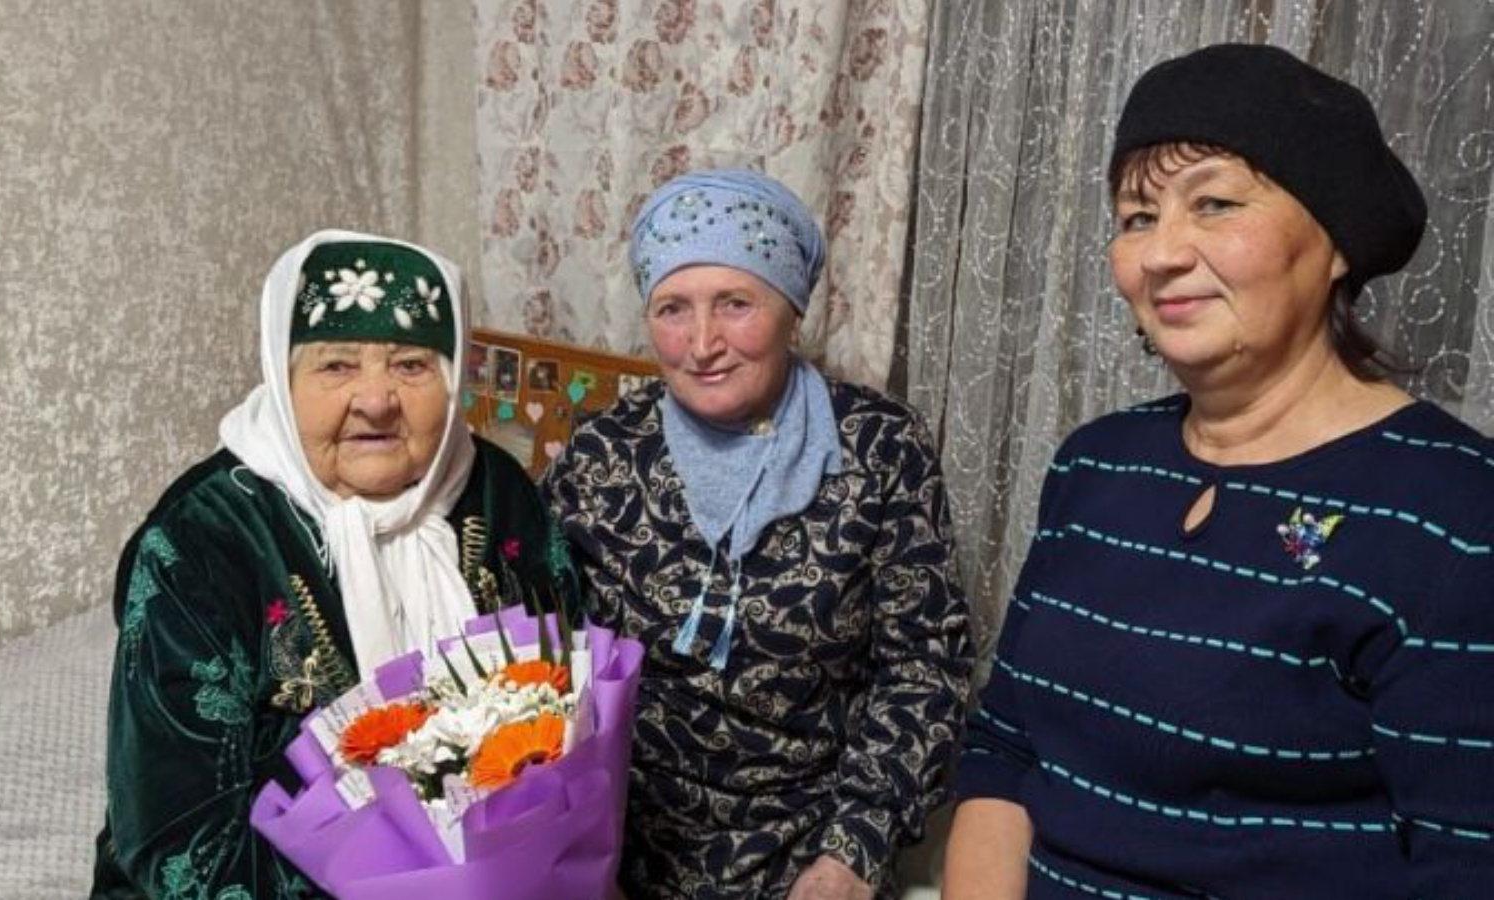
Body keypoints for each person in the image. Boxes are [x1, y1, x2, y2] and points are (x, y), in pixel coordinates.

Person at [944, 44, 1494, 899]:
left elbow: (1468, 866)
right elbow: (1007, 748)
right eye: (1136, 217)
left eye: (1215, 203)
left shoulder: (1455, 513)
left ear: (1336, 241)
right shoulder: (1097, 464)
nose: (1161, 253)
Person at [90, 230, 574, 899]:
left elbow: (567, 713)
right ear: (283, 380)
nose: (376, 400)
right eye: (337, 367)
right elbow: (179, 842)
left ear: (454, 376)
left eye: (411, 365)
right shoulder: (198, 544)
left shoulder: (499, 493)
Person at [543, 169, 972, 900]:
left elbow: (924, 667)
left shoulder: (881, 447)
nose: (701, 343)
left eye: (735, 304)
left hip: (813, 852)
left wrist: (851, 853)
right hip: (618, 853)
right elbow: (544, 658)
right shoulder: (600, 454)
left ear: (792, 313)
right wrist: (574, 848)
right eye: (673, 309)